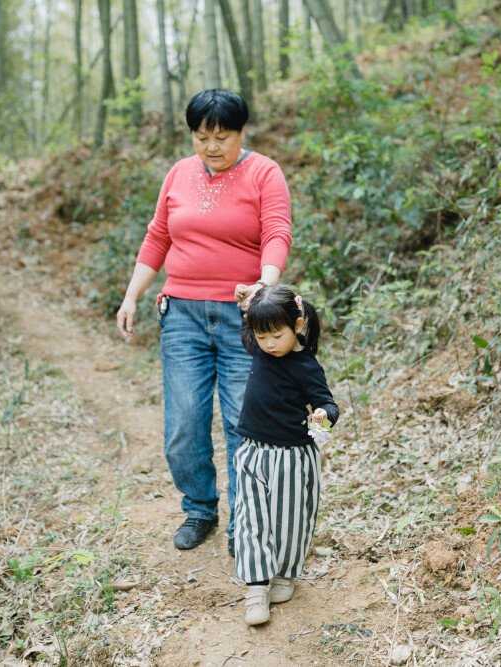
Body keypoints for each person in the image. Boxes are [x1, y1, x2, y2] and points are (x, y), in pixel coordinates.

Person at [115, 89, 292, 556]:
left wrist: (263, 286)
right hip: (182, 317)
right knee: (184, 424)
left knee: (242, 423)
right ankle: (200, 508)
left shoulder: (264, 172)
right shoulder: (178, 174)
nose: (212, 147)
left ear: (242, 132)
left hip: (242, 317)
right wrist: (132, 295)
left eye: (222, 136)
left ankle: (246, 521)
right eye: (201, 137)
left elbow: (276, 232)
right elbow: (158, 237)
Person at [232, 284, 340, 626]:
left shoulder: (306, 366)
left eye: (276, 335)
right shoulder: (261, 347)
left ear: (296, 325)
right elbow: (252, 325)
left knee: (290, 522)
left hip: (293, 457)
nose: (268, 345)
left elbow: (328, 402)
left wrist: (324, 416)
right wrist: (245, 305)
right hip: (251, 450)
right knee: (250, 519)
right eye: (261, 337)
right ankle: (255, 588)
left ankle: (284, 575)